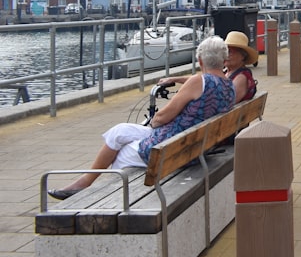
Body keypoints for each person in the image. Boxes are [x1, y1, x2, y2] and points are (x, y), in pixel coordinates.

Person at [49, 36, 235, 199]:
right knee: (119, 131)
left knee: (119, 154)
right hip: (194, 144)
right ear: (224, 60)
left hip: (173, 148)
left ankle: (91, 189)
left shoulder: (199, 81)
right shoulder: (229, 86)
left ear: (200, 61)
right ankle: (85, 182)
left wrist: (154, 122)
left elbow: (162, 117)